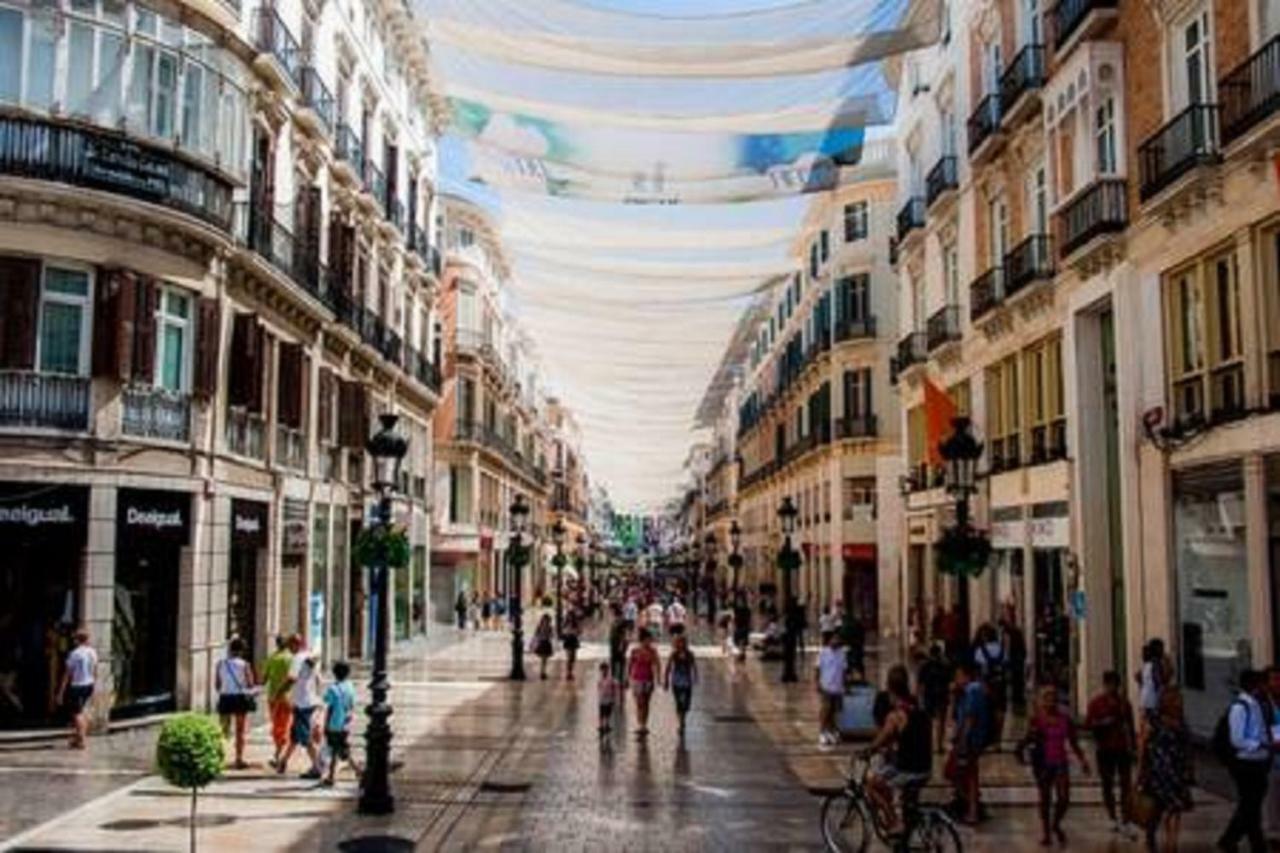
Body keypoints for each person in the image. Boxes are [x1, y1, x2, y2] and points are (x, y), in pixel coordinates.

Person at [864, 665, 933, 834]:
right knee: (901, 793)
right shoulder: (917, 706)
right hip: (926, 767)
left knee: (872, 785)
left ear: (889, 687)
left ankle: (894, 822)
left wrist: (868, 751)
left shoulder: (895, 716)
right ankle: (905, 832)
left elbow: (880, 741)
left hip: (909, 769)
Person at [1018, 684, 1090, 846]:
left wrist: (1082, 759)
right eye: (1046, 698)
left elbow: (1073, 742)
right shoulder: (1037, 719)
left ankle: (1055, 823)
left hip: (1061, 762)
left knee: (1064, 798)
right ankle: (1046, 832)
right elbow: (1027, 740)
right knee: (1045, 799)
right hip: (1043, 763)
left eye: (1053, 698)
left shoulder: (1065, 719)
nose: (1050, 702)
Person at [1219, 668, 1274, 853]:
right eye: (1259, 684)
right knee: (1250, 805)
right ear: (1252, 685)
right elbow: (1238, 739)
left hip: (1258, 761)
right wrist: (1259, 745)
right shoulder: (1239, 707)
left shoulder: (1256, 705)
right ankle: (1237, 839)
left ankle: (1245, 840)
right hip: (1247, 763)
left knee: (1251, 805)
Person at [1140, 686, 1194, 853]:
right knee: (1159, 806)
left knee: (1175, 807)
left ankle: (1172, 843)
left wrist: (1189, 766)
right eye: (1176, 699)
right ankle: (1151, 834)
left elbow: (1187, 746)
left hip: (1177, 769)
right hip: (1160, 769)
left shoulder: (1182, 722)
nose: (1179, 702)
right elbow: (1144, 743)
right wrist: (1142, 768)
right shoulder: (1154, 720)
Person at [1085, 670, 1138, 837]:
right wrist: (1102, 723)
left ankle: (1126, 817)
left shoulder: (1124, 704)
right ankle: (1112, 815)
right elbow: (1088, 725)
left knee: (1125, 784)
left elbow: (1129, 725)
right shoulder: (1096, 703)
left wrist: (1134, 747)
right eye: (1109, 685)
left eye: (1114, 685)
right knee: (1107, 784)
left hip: (1122, 748)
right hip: (1105, 748)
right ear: (1105, 685)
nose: (1112, 688)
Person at [949, 662, 989, 825]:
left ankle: (972, 808)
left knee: (965, 774)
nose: (956, 680)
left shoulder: (972, 690)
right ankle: (971, 804)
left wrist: (963, 742)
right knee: (965, 774)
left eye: (958, 676)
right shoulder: (967, 691)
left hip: (970, 740)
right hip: (970, 739)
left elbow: (969, 719)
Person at [278, 648, 322, 779]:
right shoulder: (310, 658)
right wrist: (317, 697)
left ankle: (317, 767)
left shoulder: (297, 659)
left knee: (305, 737)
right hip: (308, 702)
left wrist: (279, 692)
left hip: (301, 704)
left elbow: (291, 679)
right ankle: (283, 762)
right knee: (295, 736)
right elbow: (319, 680)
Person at [215, 637, 258, 769]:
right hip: (239, 698)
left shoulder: (220, 664)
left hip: (225, 697)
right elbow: (250, 684)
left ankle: (218, 757)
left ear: (230, 649)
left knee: (223, 729)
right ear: (242, 651)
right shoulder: (245, 665)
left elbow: (217, 685)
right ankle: (238, 759)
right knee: (240, 731)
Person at [321, 660, 362, 787]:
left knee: (338, 750)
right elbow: (352, 704)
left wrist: (325, 725)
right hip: (345, 723)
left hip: (334, 724)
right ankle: (333, 776)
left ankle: (357, 772)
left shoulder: (333, 689)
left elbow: (328, 706)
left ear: (334, 674)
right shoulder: (350, 686)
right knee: (339, 750)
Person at [56, 628, 97, 750]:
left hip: (77, 686)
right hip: (88, 684)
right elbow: (95, 670)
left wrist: (60, 692)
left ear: (77, 640)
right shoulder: (92, 652)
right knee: (81, 711)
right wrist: (93, 684)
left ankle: (82, 740)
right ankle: (78, 738)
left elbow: (67, 674)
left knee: (77, 714)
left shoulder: (75, 654)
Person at [263, 634, 297, 770]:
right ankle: (279, 755)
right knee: (285, 725)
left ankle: (278, 754)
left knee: (277, 726)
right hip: (289, 697)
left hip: (273, 697)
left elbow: (264, 679)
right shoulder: (292, 659)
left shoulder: (271, 658)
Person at [973, 623, 1008, 750]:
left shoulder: (979, 651)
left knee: (984, 711)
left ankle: (984, 739)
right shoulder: (1001, 649)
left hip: (985, 684)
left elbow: (977, 670)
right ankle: (998, 741)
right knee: (999, 711)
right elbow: (1006, 665)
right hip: (1000, 684)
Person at [918, 643, 954, 754]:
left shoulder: (925, 665)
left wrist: (919, 697)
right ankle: (939, 745)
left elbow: (920, 684)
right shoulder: (946, 664)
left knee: (928, 721)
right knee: (940, 721)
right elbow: (950, 683)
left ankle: (928, 744)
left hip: (929, 695)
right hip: (941, 694)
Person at [816, 631, 847, 748]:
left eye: (838, 639)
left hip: (837, 686)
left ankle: (831, 731)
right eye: (834, 639)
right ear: (829, 640)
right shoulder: (823, 653)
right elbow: (818, 668)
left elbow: (844, 670)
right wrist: (817, 683)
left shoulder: (842, 653)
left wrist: (844, 685)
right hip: (826, 685)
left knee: (834, 711)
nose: (836, 641)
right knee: (826, 709)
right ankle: (822, 732)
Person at [628, 628, 661, 736]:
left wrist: (658, 678)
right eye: (647, 639)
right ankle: (640, 724)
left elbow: (657, 664)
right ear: (642, 640)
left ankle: (644, 724)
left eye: (650, 639)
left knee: (646, 703)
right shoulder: (635, 651)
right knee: (639, 703)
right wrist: (627, 677)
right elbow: (630, 664)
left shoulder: (653, 651)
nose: (649, 641)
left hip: (648, 679)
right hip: (637, 679)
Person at [664, 633, 698, 735]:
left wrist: (695, 677)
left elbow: (694, 666)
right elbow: (668, 667)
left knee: (686, 704)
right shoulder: (673, 654)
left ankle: (683, 718)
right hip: (676, 682)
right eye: (679, 642)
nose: (681, 644)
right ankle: (681, 722)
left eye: (683, 642)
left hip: (687, 682)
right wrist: (666, 680)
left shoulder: (690, 654)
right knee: (679, 703)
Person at [608, 613, 630, 687]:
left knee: (617, 665)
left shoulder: (615, 634)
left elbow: (626, 644)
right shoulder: (620, 636)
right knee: (619, 665)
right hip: (617, 652)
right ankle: (618, 679)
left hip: (616, 652)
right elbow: (626, 644)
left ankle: (616, 679)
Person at [597, 661, 618, 739]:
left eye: (605, 669)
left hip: (609, 699)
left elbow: (614, 688)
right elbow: (599, 687)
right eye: (602, 670)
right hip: (602, 699)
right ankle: (601, 725)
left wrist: (614, 697)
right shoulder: (600, 679)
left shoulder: (611, 679)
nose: (604, 671)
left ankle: (607, 724)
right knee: (602, 712)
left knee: (608, 712)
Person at [532, 614, 555, 680]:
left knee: (544, 659)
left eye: (547, 620)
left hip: (546, 643)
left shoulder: (550, 627)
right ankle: (542, 672)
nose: (546, 622)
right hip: (542, 643)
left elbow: (552, 635)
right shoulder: (539, 627)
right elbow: (536, 635)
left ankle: (543, 672)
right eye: (545, 620)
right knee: (543, 659)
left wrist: (548, 635)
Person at [562, 610, 581, 681]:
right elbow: (563, 632)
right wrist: (567, 632)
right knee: (569, 657)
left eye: (571, 616)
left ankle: (571, 672)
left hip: (574, 640)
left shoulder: (575, 624)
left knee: (573, 658)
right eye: (569, 616)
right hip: (568, 640)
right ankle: (568, 673)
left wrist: (575, 632)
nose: (570, 617)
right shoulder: (565, 623)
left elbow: (579, 631)